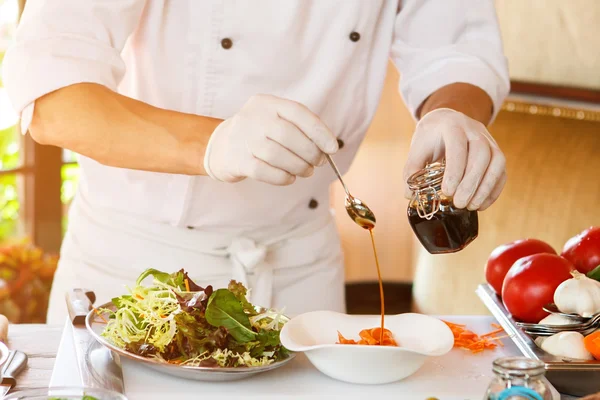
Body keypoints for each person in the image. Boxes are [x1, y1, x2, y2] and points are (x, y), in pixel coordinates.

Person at [3, 0, 509, 324]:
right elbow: (52, 100)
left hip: (300, 271)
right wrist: (213, 142)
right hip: (137, 275)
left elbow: (456, 44)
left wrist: (453, 114)